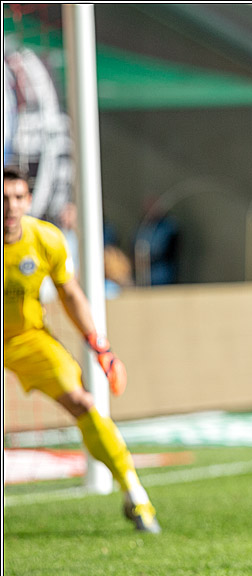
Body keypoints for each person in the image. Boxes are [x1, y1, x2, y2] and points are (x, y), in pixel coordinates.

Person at [3, 167, 160, 533]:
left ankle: (135, 493)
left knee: (84, 403)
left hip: (26, 338)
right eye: (2, 199)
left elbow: (70, 293)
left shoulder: (46, 239)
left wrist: (99, 345)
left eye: (17, 198)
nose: (9, 207)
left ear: (28, 200)